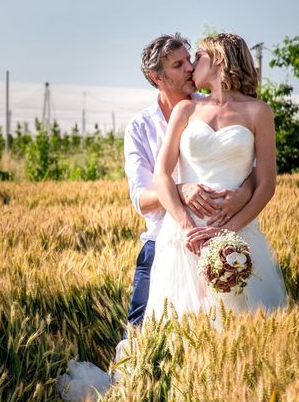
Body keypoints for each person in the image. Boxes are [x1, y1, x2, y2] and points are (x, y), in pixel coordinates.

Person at [145, 33, 288, 332]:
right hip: (187, 236)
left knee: (242, 328)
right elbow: (161, 176)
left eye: (198, 57)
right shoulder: (186, 110)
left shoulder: (258, 112)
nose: (192, 65)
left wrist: (225, 235)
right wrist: (186, 226)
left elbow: (266, 185)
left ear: (218, 60)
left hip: (235, 234)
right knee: (181, 327)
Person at [123, 33, 255, 334]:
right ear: (156, 77)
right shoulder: (140, 127)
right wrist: (180, 191)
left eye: (190, 60)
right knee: (141, 334)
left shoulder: (217, 108)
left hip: (222, 235)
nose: (190, 67)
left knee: (225, 328)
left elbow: (252, 171)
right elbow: (141, 199)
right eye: (178, 64)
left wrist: (242, 195)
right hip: (163, 241)